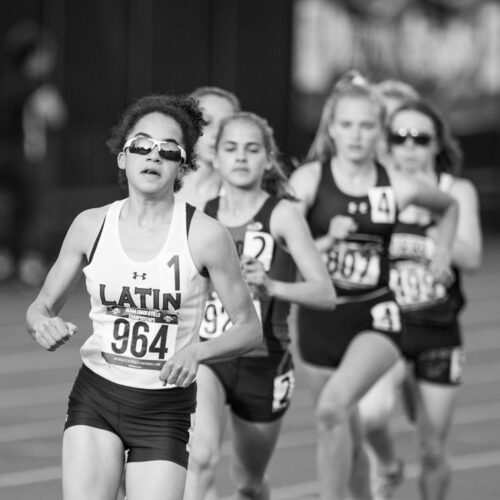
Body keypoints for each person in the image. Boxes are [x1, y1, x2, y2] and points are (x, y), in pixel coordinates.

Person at [25, 94, 262, 500]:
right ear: (123, 157)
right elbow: (40, 306)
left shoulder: (204, 235)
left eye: (168, 150)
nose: (153, 155)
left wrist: (197, 353)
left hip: (163, 411)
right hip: (96, 396)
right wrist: (42, 324)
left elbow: (249, 329)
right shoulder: (90, 226)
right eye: (141, 145)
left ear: (183, 167)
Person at [288, 71, 459, 500]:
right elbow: (282, 242)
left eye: (366, 126)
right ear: (332, 128)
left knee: (332, 409)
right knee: (342, 426)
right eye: (346, 125)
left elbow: (448, 205)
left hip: (376, 317)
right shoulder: (310, 179)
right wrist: (327, 239)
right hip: (320, 320)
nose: (356, 135)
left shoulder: (396, 184)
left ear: (379, 131)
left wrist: (442, 252)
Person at [184, 111, 336, 500]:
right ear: (215, 157)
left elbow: (324, 292)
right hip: (211, 354)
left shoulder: (282, 214)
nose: (240, 157)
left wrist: (271, 285)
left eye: (252, 149)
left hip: (264, 358)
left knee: (248, 482)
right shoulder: (204, 212)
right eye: (230, 148)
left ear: (268, 159)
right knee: (199, 457)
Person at [386, 98, 482, 500]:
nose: (409, 147)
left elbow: (473, 256)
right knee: (370, 417)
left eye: (420, 138)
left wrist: (436, 233)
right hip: (384, 327)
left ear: (436, 144)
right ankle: (385, 468)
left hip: (438, 331)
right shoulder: (378, 189)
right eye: (400, 137)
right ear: (387, 143)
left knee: (430, 447)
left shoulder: (455, 191)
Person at [358, 78, 420, 500]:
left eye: (406, 130)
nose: (396, 139)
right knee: (367, 415)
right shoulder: (355, 176)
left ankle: (378, 478)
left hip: (416, 316)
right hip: (365, 314)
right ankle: (387, 464)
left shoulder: (427, 185)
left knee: (370, 411)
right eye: (388, 126)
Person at [0, 20, 66, 285]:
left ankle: (4, 260)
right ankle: (30, 262)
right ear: (33, 56)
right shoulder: (37, 86)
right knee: (34, 208)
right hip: (27, 159)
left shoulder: (5, 81)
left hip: (4, 156)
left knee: (7, 208)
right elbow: (57, 115)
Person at [175, 86, 240, 208]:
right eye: (205, 122)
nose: (216, 133)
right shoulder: (160, 186)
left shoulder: (242, 196)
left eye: (225, 125)